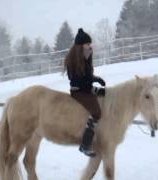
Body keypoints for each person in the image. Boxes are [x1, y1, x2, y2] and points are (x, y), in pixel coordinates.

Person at [63, 28, 106, 157]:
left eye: (90, 44)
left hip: (85, 89)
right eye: (87, 44)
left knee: (105, 95)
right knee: (97, 113)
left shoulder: (86, 56)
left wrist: (96, 79)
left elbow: (86, 76)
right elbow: (77, 80)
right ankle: (85, 144)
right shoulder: (73, 59)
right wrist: (93, 89)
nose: (90, 46)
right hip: (78, 92)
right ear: (81, 45)